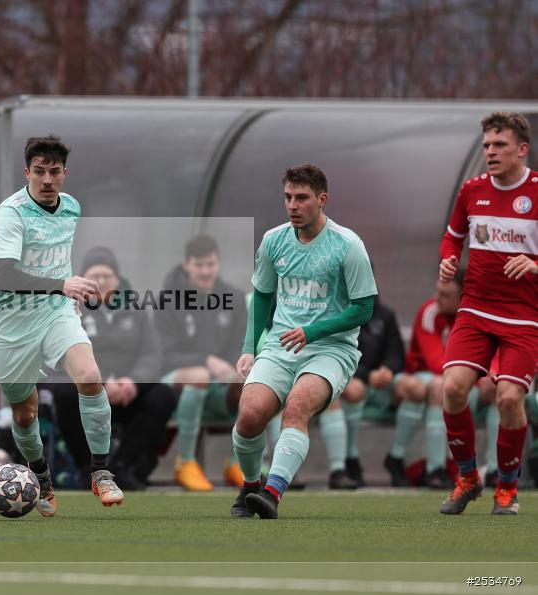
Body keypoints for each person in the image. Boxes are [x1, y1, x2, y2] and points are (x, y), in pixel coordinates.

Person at [0, 136, 123, 516]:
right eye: (39, 171)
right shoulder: (10, 213)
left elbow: (53, 258)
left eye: (54, 172)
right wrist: (63, 283)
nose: (47, 179)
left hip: (55, 313)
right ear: (27, 172)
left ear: (64, 174)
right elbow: (3, 273)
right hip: (8, 326)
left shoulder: (71, 207)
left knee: (90, 377)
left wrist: (63, 289)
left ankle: (101, 472)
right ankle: (41, 477)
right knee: (26, 412)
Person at [230, 163, 377, 519]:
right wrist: (250, 348)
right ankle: (251, 485)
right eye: (287, 197)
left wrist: (313, 331)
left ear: (322, 200)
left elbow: (364, 309)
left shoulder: (347, 245)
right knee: (249, 415)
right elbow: (263, 294)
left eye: (302, 198)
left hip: (331, 349)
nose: (293, 205)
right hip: (281, 346)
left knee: (296, 407)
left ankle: (272, 493)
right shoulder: (273, 240)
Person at [437, 112, 537, 516]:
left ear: (522, 149)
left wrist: (535, 264)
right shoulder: (472, 190)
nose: (490, 152)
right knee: (453, 389)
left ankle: (508, 487)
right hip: (475, 309)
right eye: (486, 146)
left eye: (499, 145)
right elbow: (452, 238)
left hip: (525, 317)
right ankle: (467, 478)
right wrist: (448, 261)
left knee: (509, 398)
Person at [49, 247, 177, 490]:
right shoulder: (66, 310)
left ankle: (119, 468)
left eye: (107, 276)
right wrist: (100, 383)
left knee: (163, 396)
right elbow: (58, 354)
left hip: (127, 395)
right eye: (94, 276)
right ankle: (89, 468)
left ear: (117, 280)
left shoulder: (136, 309)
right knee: (63, 392)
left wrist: (134, 382)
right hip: (88, 394)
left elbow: (152, 354)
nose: (101, 281)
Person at [384, 273, 500, 488]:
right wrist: (474, 377)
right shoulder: (430, 312)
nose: (438, 299)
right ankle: (435, 470)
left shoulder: (479, 315)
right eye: (437, 292)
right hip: (427, 375)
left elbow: (493, 354)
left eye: (445, 295)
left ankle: (496, 470)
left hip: (464, 381)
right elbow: (437, 363)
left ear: (462, 297)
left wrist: (491, 373)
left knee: (498, 388)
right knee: (438, 386)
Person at [156, 234, 246, 491]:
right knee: (199, 375)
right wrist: (206, 361)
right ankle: (185, 461)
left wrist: (233, 367)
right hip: (174, 382)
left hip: (218, 386)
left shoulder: (235, 298)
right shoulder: (167, 299)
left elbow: (241, 347)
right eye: (199, 265)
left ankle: (239, 463)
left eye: (211, 264)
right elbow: (164, 356)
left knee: (255, 381)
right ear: (187, 265)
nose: (206, 271)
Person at [324, 293, 405, 489]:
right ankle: (342, 465)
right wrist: (367, 375)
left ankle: (398, 457)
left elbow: (397, 353)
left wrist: (388, 369)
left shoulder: (385, 315)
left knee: (414, 388)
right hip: (346, 377)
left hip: (381, 385)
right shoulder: (333, 311)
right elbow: (334, 352)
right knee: (352, 390)